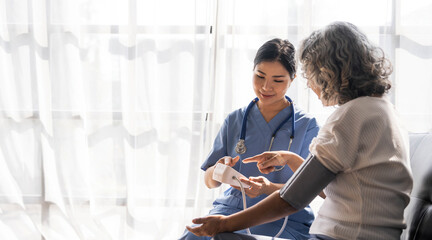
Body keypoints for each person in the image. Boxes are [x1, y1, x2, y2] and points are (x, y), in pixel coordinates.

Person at [186, 22, 413, 240]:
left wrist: (224, 224)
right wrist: (291, 158)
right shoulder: (382, 110)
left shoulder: (350, 116)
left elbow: (293, 197)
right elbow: (325, 183)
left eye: (311, 75)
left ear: (329, 73)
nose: (311, 86)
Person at [179, 38, 320, 240]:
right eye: (260, 76)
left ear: (292, 79)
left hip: (284, 216)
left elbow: (312, 187)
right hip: (232, 210)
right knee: (193, 236)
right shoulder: (236, 119)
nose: (266, 87)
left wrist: (268, 188)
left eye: (278, 80)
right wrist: (218, 170)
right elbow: (210, 181)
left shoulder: (307, 125)